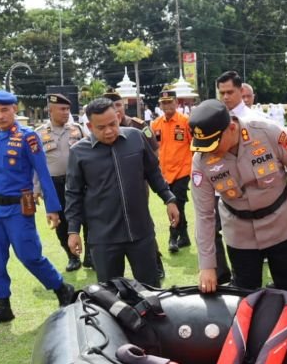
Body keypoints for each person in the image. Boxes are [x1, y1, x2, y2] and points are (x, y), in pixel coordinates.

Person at [189, 99, 287, 295]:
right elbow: (204, 214)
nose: (209, 150)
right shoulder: (201, 160)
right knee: (245, 295)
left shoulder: (268, 132)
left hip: (283, 225)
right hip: (240, 234)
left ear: (231, 127)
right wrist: (207, 265)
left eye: (213, 144)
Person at [0, 90, 74, 327]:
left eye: (4, 110)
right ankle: (2, 306)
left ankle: (61, 288)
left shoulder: (28, 137)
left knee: (29, 255)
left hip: (19, 209)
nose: (0, 116)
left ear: (14, 110)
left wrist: (52, 208)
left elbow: (43, 172)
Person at [65, 98, 179, 286]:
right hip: (103, 237)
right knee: (110, 294)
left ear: (118, 117)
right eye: (101, 127)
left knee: (150, 289)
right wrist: (73, 230)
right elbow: (73, 193)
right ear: (90, 126)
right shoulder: (79, 152)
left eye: (113, 124)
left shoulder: (136, 137)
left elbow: (153, 172)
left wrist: (169, 198)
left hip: (140, 231)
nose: (109, 131)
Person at [104, 88, 164, 277]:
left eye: (118, 105)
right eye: (111, 106)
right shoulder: (102, 128)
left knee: (142, 222)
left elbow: (154, 153)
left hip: (136, 183)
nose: (116, 109)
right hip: (110, 186)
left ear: (123, 106)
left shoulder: (138, 126)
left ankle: (155, 261)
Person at [34, 93, 88, 272]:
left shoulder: (78, 129)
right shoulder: (39, 133)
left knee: (88, 217)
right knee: (60, 222)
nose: (66, 112)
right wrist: (36, 188)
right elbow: (35, 164)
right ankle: (73, 257)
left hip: (79, 182)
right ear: (50, 110)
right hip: (53, 185)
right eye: (62, 109)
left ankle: (91, 255)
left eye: (68, 109)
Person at [151, 90, 193, 253]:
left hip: (183, 170)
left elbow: (194, 145)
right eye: (164, 103)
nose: (167, 105)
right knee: (176, 205)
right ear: (160, 105)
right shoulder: (155, 124)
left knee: (176, 203)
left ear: (176, 103)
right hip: (165, 173)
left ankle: (173, 237)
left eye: (170, 102)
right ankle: (185, 236)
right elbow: (153, 148)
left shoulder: (186, 122)